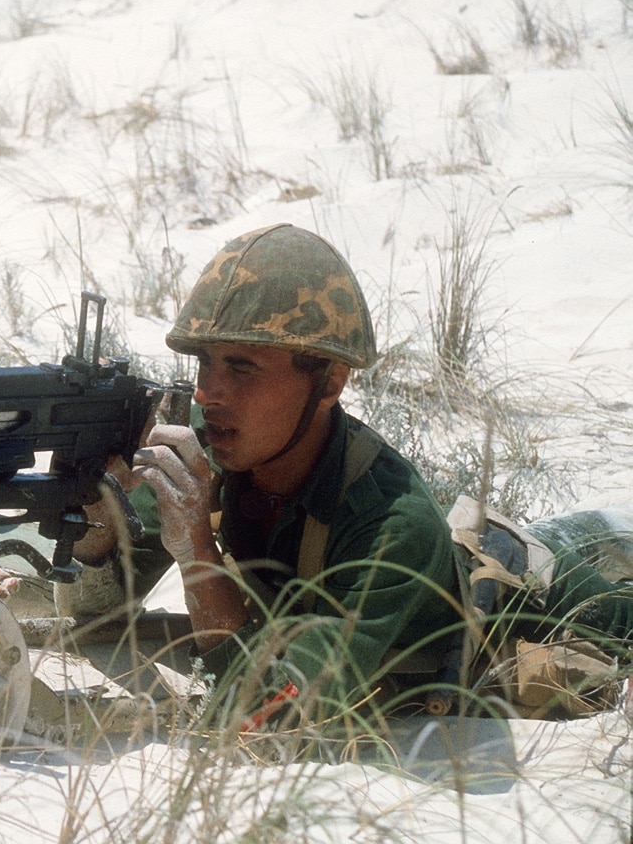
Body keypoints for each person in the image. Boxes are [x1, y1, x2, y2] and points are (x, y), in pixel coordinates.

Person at [55, 223, 632, 729]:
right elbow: (99, 614)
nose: (209, 393)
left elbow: (268, 714)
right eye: (204, 362)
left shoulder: (391, 525)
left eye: (243, 367)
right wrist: (99, 519)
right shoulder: (220, 449)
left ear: (330, 383)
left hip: (563, 589)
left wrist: (199, 554)